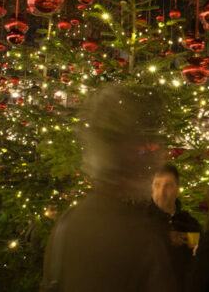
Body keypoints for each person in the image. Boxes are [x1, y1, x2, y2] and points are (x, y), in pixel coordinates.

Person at [42, 85, 175, 292]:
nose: (155, 156)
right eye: (144, 147)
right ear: (125, 152)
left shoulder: (67, 224)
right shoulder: (140, 237)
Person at [148, 163, 201, 290]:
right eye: (157, 185)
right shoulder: (141, 222)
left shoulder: (191, 225)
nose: (161, 192)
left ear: (177, 190)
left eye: (168, 185)